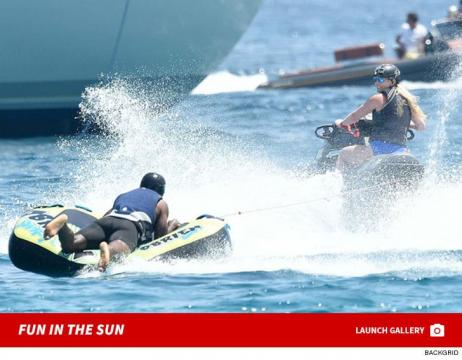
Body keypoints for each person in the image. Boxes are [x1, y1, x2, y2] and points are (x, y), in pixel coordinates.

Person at [44, 172, 180, 271]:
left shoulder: (124, 194)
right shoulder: (161, 203)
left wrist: (96, 233)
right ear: (161, 189)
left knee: (71, 243)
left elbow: (105, 216)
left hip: (107, 221)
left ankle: (63, 226)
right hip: (130, 225)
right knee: (121, 245)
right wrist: (172, 225)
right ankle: (109, 250)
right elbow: (160, 239)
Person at [335, 64, 427, 173]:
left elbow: (354, 117)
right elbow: (421, 126)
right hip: (401, 151)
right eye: (375, 79)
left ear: (392, 81)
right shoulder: (408, 100)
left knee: (343, 154)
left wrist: (342, 123)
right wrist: (404, 123)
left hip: (379, 149)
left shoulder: (378, 99)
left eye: (380, 79)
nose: (376, 82)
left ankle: (342, 187)